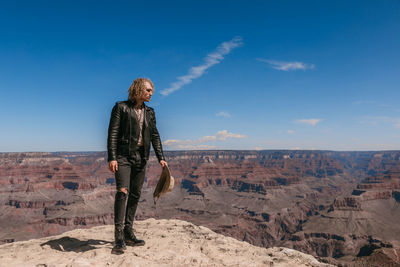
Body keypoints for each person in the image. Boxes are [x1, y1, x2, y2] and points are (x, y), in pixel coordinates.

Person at [107, 78, 167, 255]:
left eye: (151, 91)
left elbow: (155, 135)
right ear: (139, 90)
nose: (151, 94)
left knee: (135, 194)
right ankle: (118, 237)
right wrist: (112, 157)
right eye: (148, 90)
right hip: (123, 156)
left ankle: (128, 231)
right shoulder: (121, 107)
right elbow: (113, 133)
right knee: (122, 192)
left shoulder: (150, 112)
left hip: (141, 157)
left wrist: (161, 157)